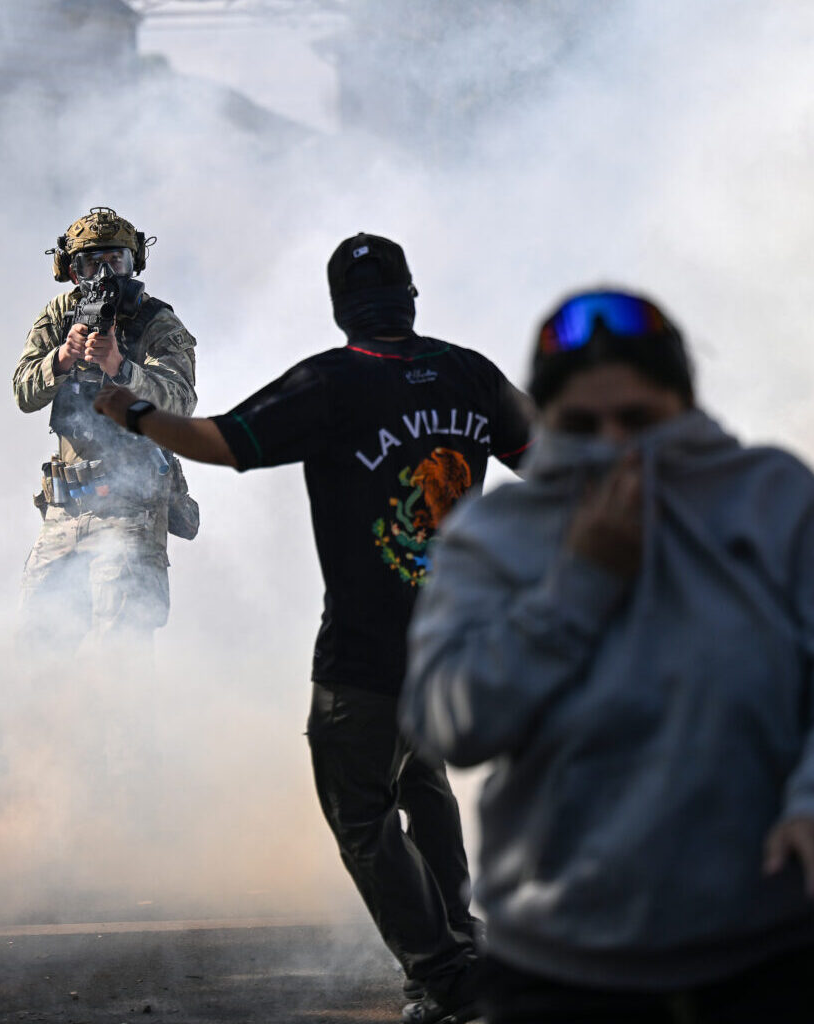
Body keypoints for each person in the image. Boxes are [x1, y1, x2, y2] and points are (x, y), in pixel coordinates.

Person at [401, 288, 814, 1023]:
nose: (616, 443)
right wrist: (579, 584)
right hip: (564, 968)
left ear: (683, 403)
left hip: (782, 954)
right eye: (586, 424)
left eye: (639, 419)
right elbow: (448, 721)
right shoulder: (495, 536)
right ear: (547, 423)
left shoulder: (775, 501)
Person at [95, 233, 533, 1024]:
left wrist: (133, 413)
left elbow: (224, 443)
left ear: (341, 310)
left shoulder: (334, 382)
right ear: (411, 297)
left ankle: (451, 977)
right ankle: (454, 957)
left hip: (365, 654)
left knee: (362, 812)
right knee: (421, 784)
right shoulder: (470, 373)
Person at [13, 206, 199, 662]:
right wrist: (60, 359)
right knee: (37, 644)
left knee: (122, 650)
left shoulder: (156, 322)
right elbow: (22, 390)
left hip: (131, 507)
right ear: (71, 270)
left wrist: (122, 368)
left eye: (114, 260)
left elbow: (181, 401)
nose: (103, 272)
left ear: (133, 262)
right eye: (89, 262)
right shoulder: (59, 316)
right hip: (67, 509)